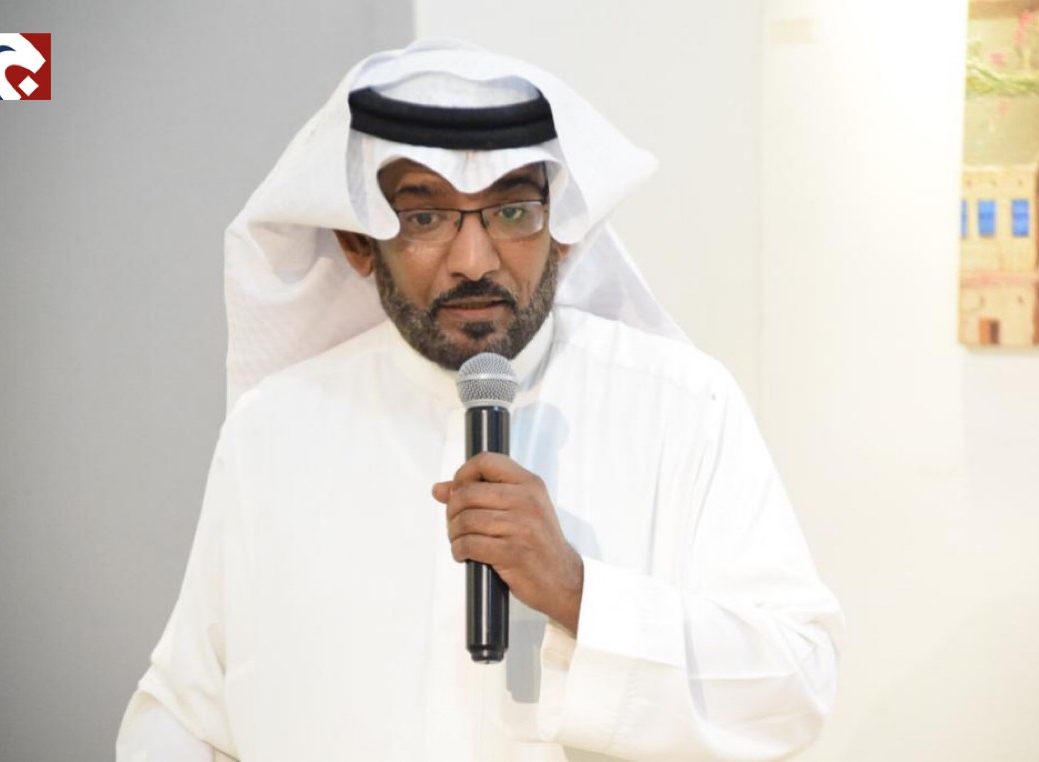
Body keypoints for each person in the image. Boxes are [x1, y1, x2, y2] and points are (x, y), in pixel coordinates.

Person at [117, 39, 843, 761]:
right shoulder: (275, 428)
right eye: (425, 217)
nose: (474, 261)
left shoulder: (680, 408)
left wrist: (578, 593)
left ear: (563, 231)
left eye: (513, 211)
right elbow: (188, 713)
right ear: (358, 241)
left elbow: (794, 684)